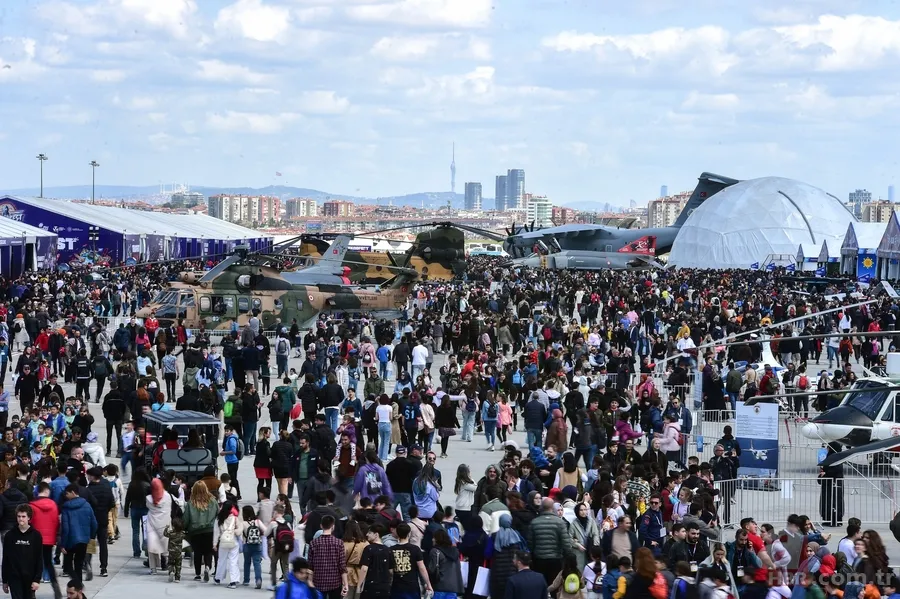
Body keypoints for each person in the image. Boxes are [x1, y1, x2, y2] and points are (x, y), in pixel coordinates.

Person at [1, 504, 43, 599]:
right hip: (14, 577)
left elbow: (39, 558)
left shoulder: (36, 536)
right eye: (19, 516)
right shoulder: (9, 535)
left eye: (23, 516)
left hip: (30, 577)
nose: (21, 519)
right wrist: (4, 581)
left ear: (29, 517)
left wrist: (37, 579)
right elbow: (5, 559)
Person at [59, 484, 97, 586]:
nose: (66, 496)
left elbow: (65, 528)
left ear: (72, 492)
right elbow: (94, 524)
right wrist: (90, 537)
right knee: (78, 564)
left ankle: (77, 584)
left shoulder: (66, 507)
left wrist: (63, 544)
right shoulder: (87, 505)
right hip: (84, 539)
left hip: (70, 540)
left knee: (67, 565)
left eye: (67, 493)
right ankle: (78, 586)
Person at [184, 480, 218, 582]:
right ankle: (207, 567)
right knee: (208, 551)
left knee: (197, 553)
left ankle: (198, 574)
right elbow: (218, 514)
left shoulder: (191, 503)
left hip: (195, 531)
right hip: (210, 530)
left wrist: (184, 528)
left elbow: (186, 518)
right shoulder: (213, 501)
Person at [308, 515, 349, 599]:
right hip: (335, 582)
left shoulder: (313, 543)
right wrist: (346, 583)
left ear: (321, 526)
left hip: (318, 582)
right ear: (333, 526)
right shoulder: (339, 543)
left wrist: (309, 581)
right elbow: (342, 566)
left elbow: (310, 566)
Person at [358, 524, 395, 599]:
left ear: (376, 535)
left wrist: (359, 585)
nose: (367, 534)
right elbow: (391, 571)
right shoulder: (388, 550)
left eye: (369, 533)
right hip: (384, 586)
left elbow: (364, 569)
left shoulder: (368, 549)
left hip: (371, 586)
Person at [214, 500, 244, 589]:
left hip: (223, 541)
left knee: (221, 560)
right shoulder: (234, 518)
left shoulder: (219, 519)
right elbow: (240, 530)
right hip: (233, 541)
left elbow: (216, 533)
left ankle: (218, 578)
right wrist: (234, 532)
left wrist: (215, 544)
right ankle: (233, 581)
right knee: (233, 561)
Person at [427, 528, 464, 599]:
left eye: (434, 538)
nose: (432, 539)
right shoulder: (455, 551)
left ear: (437, 539)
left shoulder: (435, 551)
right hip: (453, 587)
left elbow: (432, 569)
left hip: (439, 586)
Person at [220, 424, 242, 501]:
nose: (226, 432)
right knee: (232, 478)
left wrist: (224, 453)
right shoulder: (229, 438)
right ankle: (235, 493)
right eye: (225, 431)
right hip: (231, 460)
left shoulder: (231, 439)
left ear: (231, 431)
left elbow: (233, 451)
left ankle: (237, 494)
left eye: (227, 431)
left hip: (233, 461)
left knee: (233, 478)